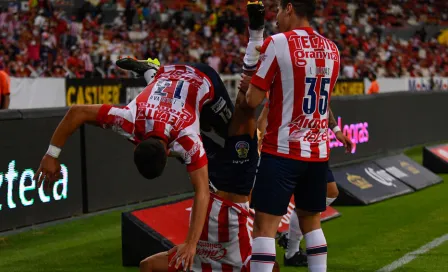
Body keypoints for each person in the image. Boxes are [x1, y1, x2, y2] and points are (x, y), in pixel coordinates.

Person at [34, 59, 238, 271]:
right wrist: (51, 155)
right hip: (167, 74)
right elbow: (77, 112)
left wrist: (191, 244)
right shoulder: (128, 120)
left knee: (234, 135)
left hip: (202, 77)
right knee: (204, 131)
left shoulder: (187, 140)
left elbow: (202, 193)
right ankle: (151, 71)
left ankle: (153, 72)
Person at [120, 2, 280, 271]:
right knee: (244, 105)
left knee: (177, 127)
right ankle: (256, 34)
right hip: (231, 176)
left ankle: (151, 72)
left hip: (214, 176)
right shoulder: (243, 261)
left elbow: (148, 266)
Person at [245, 1, 343, 271]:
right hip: (317, 153)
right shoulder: (333, 50)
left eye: (277, 10)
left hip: (282, 151)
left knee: (265, 226)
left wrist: (252, 77)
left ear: (289, 8)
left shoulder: (277, 43)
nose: (275, 17)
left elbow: (252, 99)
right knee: (312, 223)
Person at [257, 103, 350, 267]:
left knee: (327, 195)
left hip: (313, 148)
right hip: (286, 148)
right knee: (269, 221)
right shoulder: (287, 80)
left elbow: (324, 104)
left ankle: (290, 245)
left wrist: (336, 131)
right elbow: (264, 107)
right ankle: (290, 251)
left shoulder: (317, 81)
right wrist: (259, 140)